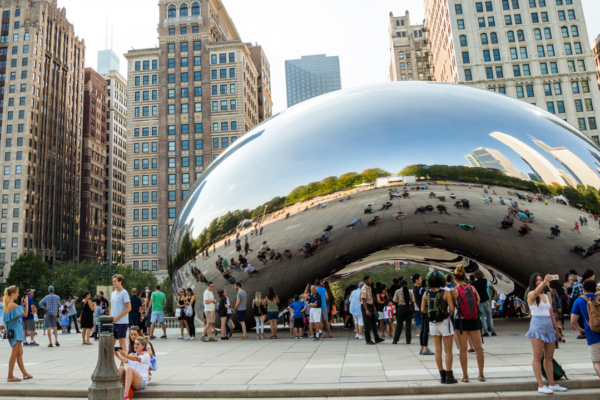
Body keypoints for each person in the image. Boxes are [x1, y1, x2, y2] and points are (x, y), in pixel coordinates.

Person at [526, 273, 567, 394]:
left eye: (541, 280)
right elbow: (534, 294)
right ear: (534, 283)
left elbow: (551, 312)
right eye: (538, 280)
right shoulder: (531, 294)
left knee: (549, 357)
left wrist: (557, 329)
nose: (540, 282)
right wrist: (544, 282)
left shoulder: (545, 295)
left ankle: (552, 384)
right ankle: (540, 385)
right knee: (538, 357)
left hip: (549, 325)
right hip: (537, 325)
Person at [421, 270, 457, 384]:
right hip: (445, 323)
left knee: (437, 350)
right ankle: (449, 375)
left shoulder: (426, 293)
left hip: (433, 324)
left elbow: (422, 309)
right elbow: (451, 308)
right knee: (448, 350)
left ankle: (441, 375)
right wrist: (446, 315)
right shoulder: (445, 293)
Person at [452, 265, 485, 382]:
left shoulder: (454, 290)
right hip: (474, 319)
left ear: (454, 277)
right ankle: (481, 375)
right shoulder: (471, 288)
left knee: (462, 349)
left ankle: (465, 376)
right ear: (465, 277)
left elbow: (452, 307)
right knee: (478, 348)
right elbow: (478, 300)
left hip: (460, 321)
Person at [3, 286, 33, 382]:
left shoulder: (8, 305)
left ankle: (25, 374)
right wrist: (27, 303)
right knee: (14, 354)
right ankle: (10, 376)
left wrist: (23, 303)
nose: (18, 294)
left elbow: (17, 313)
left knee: (19, 353)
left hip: (13, 331)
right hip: (16, 332)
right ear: (13, 294)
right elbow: (25, 313)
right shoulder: (13, 305)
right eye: (17, 293)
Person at [571, 279, 600, 378]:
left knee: (596, 362)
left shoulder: (579, 300)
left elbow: (573, 320)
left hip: (592, 334)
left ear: (583, 290)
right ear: (595, 288)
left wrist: (580, 330)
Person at [412, 274, 433, 355]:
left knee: (422, 329)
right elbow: (428, 296)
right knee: (425, 329)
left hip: (421, 310)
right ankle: (425, 348)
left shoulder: (414, 289)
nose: (421, 280)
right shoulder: (420, 289)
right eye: (420, 278)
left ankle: (422, 347)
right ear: (417, 280)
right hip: (425, 310)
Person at [361, 276, 384, 345]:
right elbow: (364, 300)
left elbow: (371, 298)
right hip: (366, 307)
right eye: (369, 280)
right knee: (367, 324)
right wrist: (366, 310)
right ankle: (368, 340)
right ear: (365, 281)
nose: (370, 281)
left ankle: (377, 338)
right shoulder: (364, 289)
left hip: (371, 306)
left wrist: (374, 307)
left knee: (374, 323)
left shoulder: (369, 288)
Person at [111, 274, 132, 349]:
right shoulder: (113, 294)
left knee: (121, 342)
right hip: (113, 322)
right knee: (111, 343)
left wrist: (118, 317)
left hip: (122, 322)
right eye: (113, 281)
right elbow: (112, 308)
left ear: (120, 282)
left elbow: (129, 308)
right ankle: (110, 360)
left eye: (115, 281)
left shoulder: (124, 293)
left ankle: (123, 360)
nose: (113, 283)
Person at [473, 270, 496, 337]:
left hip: (479, 301)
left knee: (482, 316)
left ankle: (485, 332)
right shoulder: (485, 281)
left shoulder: (475, 283)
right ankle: (492, 331)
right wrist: (492, 296)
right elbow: (492, 288)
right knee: (489, 315)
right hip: (486, 299)